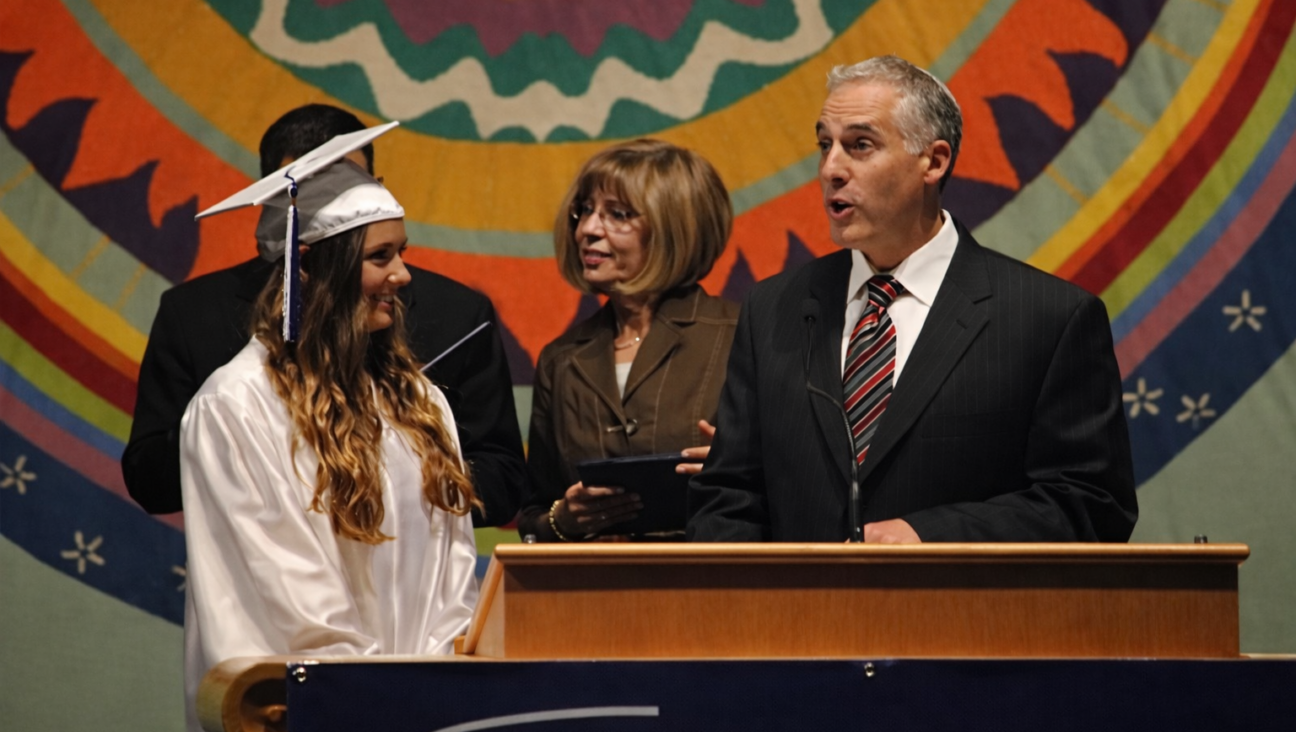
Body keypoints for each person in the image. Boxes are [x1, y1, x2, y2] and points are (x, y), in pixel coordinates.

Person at [687, 56, 1138, 543]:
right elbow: (731, 498)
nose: (830, 169)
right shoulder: (775, 308)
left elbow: (1091, 503)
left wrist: (930, 536)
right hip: (801, 615)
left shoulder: (1048, 318)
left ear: (934, 161)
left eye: (860, 145)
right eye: (824, 145)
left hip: (963, 611)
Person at [180, 151, 478, 731]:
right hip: (310, 710)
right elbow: (289, 594)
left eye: (402, 253)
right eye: (380, 257)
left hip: (423, 710)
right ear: (312, 269)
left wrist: (440, 686)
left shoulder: (418, 403)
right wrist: (376, 701)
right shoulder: (237, 408)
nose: (403, 276)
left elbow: (452, 574)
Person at [123, 104, 526, 526]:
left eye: (349, 184)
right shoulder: (201, 325)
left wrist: (392, 483)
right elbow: (149, 478)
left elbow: (501, 477)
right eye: (312, 190)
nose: (337, 201)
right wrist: (248, 435)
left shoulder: (456, 318)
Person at [517, 140, 739, 542]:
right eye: (584, 211)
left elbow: (803, 481)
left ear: (676, 227)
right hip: (594, 593)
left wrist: (742, 473)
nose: (587, 229)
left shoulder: (741, 335)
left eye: (617, 215)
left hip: (713, 586)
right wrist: (563, 519)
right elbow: (535, 511)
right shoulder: (561, 359)